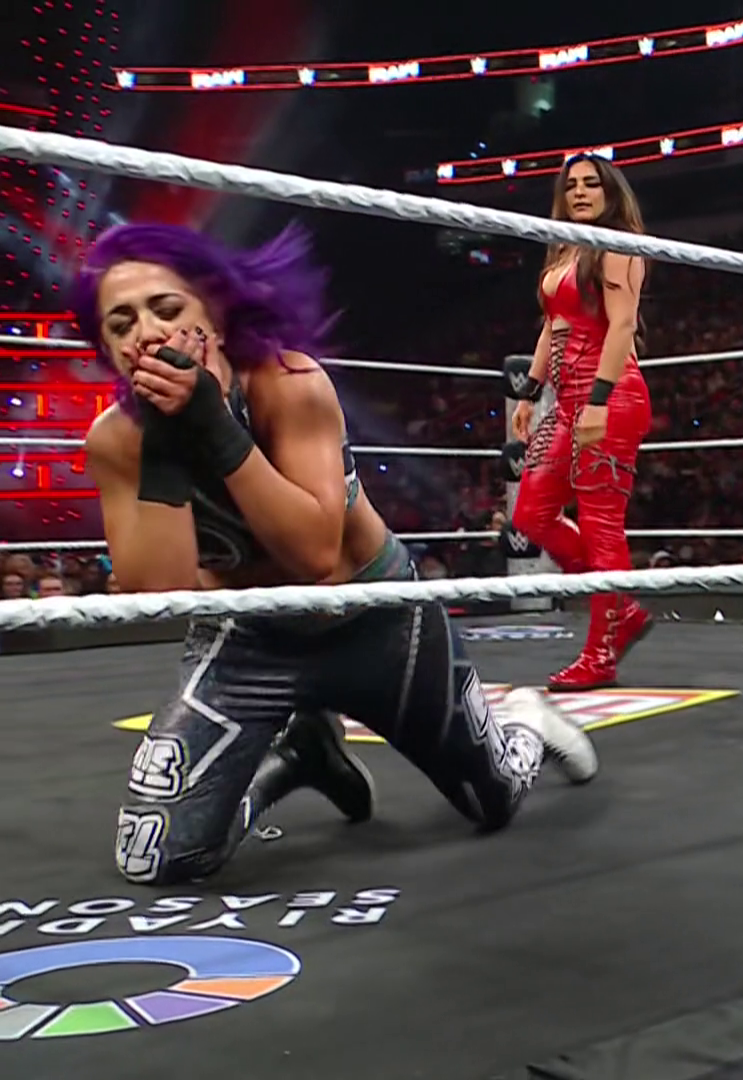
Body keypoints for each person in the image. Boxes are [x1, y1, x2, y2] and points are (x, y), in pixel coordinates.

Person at [76, 222, 600, 886]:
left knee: (491, 798)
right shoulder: (117, 440)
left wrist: (212, 425)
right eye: (121, 323)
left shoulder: (290, 384)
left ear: (214, 313)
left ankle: (523, 719)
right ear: (107, 348)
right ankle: (305, 756)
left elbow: (315, 559)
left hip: (374, 619)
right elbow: (161, 592)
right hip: (250, 638)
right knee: (155, 856)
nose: (147, 333)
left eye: (166, 308)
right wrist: (167, 442)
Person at [509, 153, 656, 691]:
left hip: (609, 397)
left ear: (610, 192)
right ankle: (621, 608)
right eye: (571, 185)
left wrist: (598, 401)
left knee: (601, 526)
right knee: (530, 514)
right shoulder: (566, 247)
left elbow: (622, 327)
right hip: (567, 400)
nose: (580, 192)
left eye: (591, 183)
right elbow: (553, 326)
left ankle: (600, 654)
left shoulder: (619, 245)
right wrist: (530, 392)